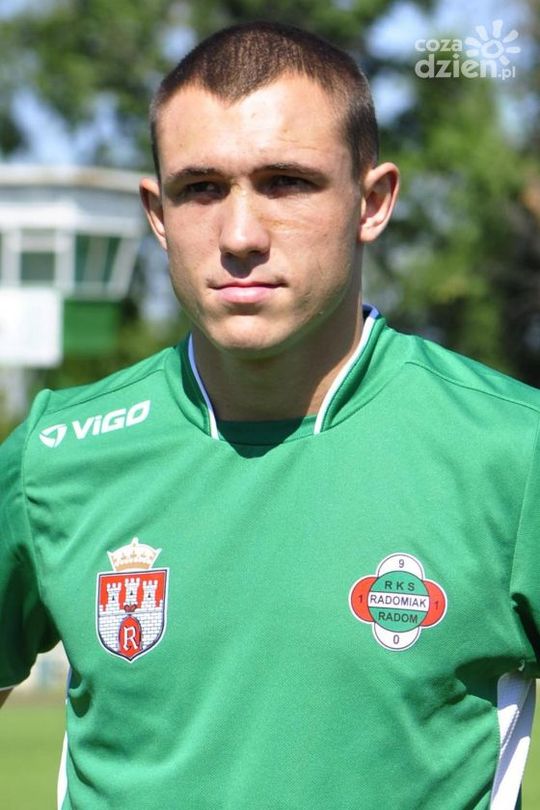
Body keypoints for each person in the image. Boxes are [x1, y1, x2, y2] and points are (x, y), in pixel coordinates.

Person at [0, 20, 539, 810]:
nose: (240, 235)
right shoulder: (53, 453)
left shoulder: (514, 452)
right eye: (201, 188)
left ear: (373, 202)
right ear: (157, 212)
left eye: (286, 182)